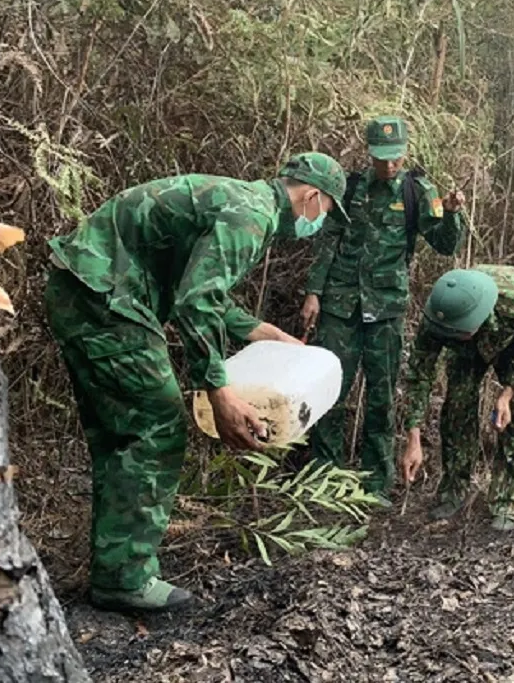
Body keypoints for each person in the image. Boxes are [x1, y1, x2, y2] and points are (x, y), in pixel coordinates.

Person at [45, 152, 348, 612]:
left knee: (121, 433)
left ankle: (115, 568)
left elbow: (196, 290)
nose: (319, 222)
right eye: (325, 211)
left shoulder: (242, 200)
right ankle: (124, 579)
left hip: (83, 290)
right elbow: (195, 304)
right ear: (312, 196)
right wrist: (218, 390)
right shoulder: (251, 217)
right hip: (108, 302)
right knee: (158, 428)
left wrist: (264, 332)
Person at [301, 116, 466, 507]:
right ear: (368, 152)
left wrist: (453, 211)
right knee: (330, 390)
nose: (388, 166)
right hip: (340, 304)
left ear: (405, 152)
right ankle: (324, 480)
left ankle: (376, 485)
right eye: (380, 158)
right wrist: (313, 291)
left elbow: (444, 245)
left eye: (394, 158)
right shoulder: (352, 187)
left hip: (386, 308)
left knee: (381, 396)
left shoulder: (419, 192)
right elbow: (329, 239)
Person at [398, 266, 514, 531]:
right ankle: (453, 491)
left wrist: (507, 393)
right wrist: (413, 438)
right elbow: (419, 374)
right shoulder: (437, 316)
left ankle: (507, 500)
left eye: (461, 332)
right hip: (467, 352)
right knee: (457, 407)